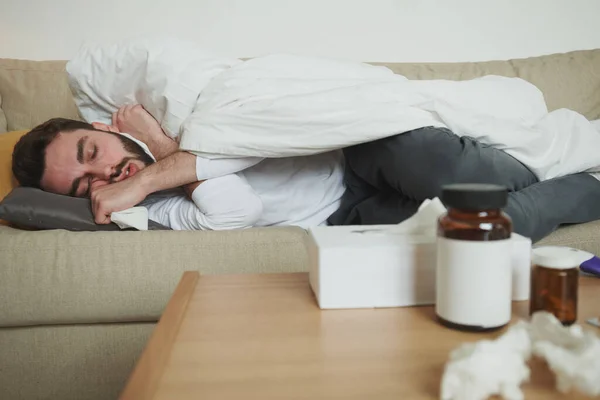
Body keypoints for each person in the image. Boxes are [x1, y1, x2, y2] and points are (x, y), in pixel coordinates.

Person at [12, 105, 600, 241]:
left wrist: (164, 144)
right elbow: (241, 210)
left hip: (357, 150)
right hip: (345, 214)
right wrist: (160, 167)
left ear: (103, 128)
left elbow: (259, 113)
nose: (107, 171)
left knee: (435, 162)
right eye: (84, 185)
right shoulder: (150, 207)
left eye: (91, 152)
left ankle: (562, 157)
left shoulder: (165, 103)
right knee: (480, 230)